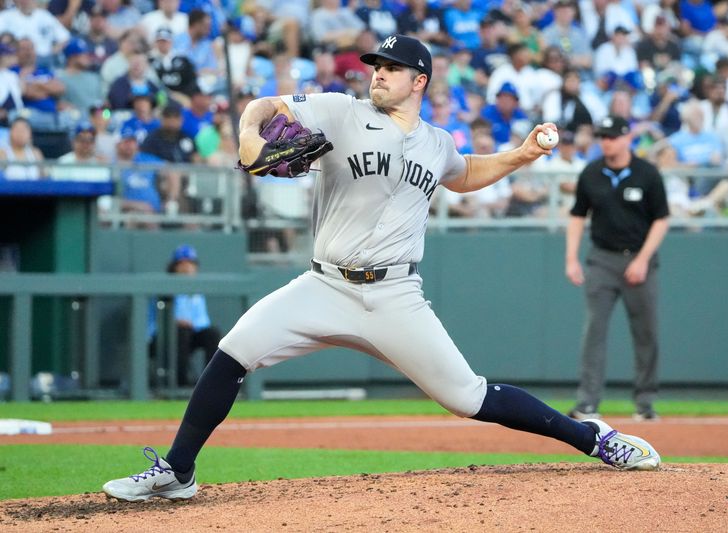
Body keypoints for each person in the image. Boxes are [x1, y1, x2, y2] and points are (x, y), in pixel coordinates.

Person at [102, 34, 661, 503]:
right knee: (234, 351)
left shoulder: (436, 143)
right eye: (376, 66)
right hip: (323, 284)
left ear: (420, 80)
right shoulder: (341, 111)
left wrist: (519, 156)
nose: (378, 74)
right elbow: (262, 107)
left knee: (469, 398)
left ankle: (592, 438)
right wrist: (250, 135)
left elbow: (463, 172)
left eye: (392, 68)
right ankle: (178, 472)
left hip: (395, 295)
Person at [565, 115, 670, 422]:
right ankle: (587, 403)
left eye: (612, 136)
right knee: (593, 332)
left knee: (646, 333)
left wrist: (643, 259)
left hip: (639, 259)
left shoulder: (646, 173)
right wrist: (571, 257)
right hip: (602, 259)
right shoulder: (592, 172)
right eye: (603, 136)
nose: (606, 141)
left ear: (627, 139)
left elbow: (661, 219)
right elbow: (577, 216)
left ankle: (645, 402)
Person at [163, 244, 222, 387]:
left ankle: (211, 383)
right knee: (182, 332)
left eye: (190, 263)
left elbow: (202, 321)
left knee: (212, 334)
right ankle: (180, 384)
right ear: (174, 267)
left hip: (191, 333)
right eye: (182, 263)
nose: (187, 268)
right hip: (167, 335)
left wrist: (191, 324)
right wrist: (176, 322)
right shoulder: (165, 287)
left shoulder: (197, 290)